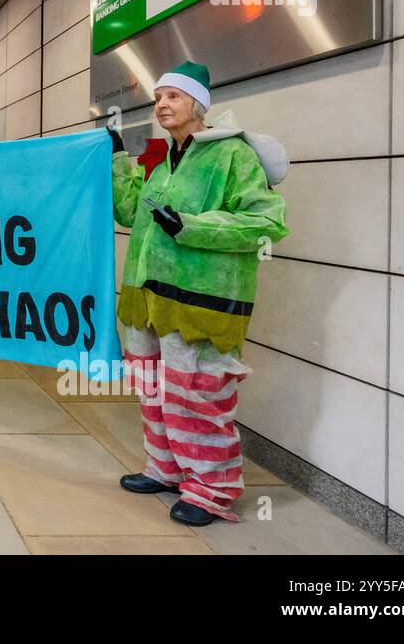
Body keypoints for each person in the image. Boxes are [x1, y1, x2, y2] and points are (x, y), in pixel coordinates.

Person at [109, 61, 289, 526]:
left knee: (198, 396)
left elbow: (267, 222)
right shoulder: (162, 157)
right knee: (154, 391)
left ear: (198, 104)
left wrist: (192, 226)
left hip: (199, 302)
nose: (162, 105)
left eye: (172, 96)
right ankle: (165, 469)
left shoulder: (233, 156)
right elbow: (132, 213)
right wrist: (114, 160)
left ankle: (211, 489)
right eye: (158, 98)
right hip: (147, 299)